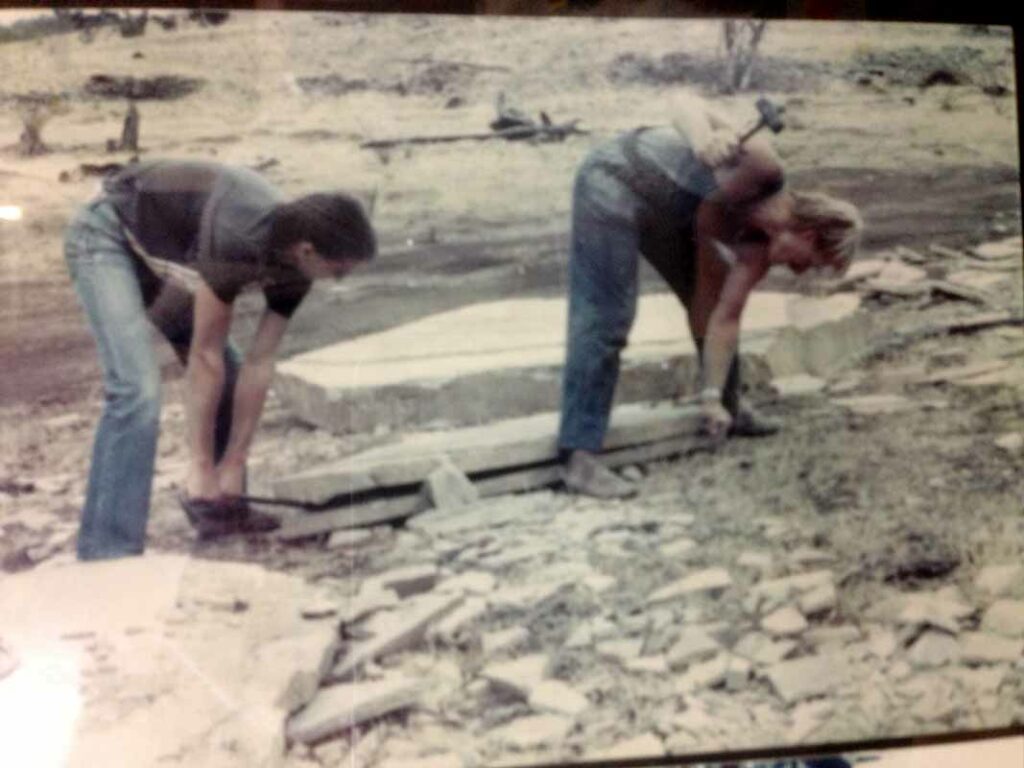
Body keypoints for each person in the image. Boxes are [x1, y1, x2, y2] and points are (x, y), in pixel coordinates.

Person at [64, 159, 376, 559]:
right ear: (308, 250)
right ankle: (108, 552)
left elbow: (260, 363)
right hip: (107, 234)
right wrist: (200, 465)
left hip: (171, 253)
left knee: (231, 376)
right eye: (337, 272)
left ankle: (222, 509)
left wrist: (234, 462)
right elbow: (203, 355)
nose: (336, 281)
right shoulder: (238, 238)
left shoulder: (297, 264)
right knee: (137, 389)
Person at [557, 93, 862, 499]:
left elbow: (726, 319)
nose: (802, 272)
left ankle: (730, 408)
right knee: (607, 316)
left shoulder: (757, 251)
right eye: (813, 261)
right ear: (808, 234)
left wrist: (710, 398)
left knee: (710, 295)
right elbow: (682, 100)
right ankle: (579, 458)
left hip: (664, 210)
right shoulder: (763, 168)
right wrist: (703, 139)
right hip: (613, 178)